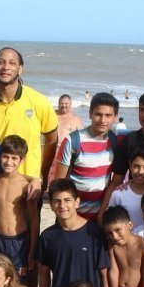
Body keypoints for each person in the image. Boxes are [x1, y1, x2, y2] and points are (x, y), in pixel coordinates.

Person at [0, 47, 58, 190]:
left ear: (20, 69)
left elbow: (52, 140)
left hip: (29, 186)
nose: (6, 67)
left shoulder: (39, 101)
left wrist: (41, 176)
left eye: (12, 63)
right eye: (1, 62)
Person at [37, 178, 109, 287]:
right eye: (57, 201)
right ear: (50, 205)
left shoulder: (95, 233)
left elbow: (104, 274)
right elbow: (44, 276)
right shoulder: (47, 237)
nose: (62, 205)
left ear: (77, 202)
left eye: (67, 200)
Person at [55, 92, 121, 221]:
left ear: (115, 117)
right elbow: (58, 183)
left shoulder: (113, 141)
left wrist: (102, 214)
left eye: (108, 115)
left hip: (99, 216)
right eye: (98, 114)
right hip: (71, 216)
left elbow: (114, 181)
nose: (103, 120)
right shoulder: (72, 141)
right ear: (90, 114)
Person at [101, 91, 144, 216]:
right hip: (138, 207)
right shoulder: (129, 141)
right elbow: (116, 181)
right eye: (141, 110)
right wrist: (102, 214)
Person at [0, 135, 38, 286]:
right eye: (5, 157)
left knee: (19, 283)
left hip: (19, 242)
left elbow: (35, 220)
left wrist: (32, 249)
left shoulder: (26, 186)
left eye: (14, 158)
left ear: (21, 160)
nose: (9, 162)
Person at [107, 145, 144, 228]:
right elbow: (110, 222)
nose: (140, 172)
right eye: (136, 166)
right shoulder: (118, 195)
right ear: (130, 165)